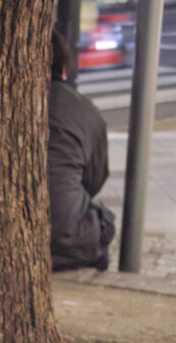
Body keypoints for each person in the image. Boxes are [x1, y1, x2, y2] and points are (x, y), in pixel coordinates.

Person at [48, 28, 116, 271]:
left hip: (4, 231)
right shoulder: (84, 109)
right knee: (104, 222)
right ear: (64, 70)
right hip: (67, 237)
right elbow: (95, 178)